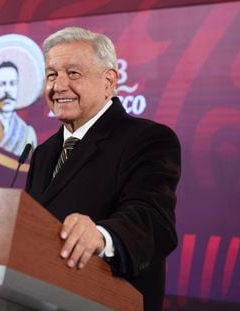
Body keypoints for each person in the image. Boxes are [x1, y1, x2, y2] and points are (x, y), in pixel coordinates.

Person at [25, 27, 181, 311]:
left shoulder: (147, 139)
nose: (58, 86)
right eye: (51, 75)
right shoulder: (44, 153)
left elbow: (153, 218)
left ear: (109, 81)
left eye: (73, 73)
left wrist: (101, 236)